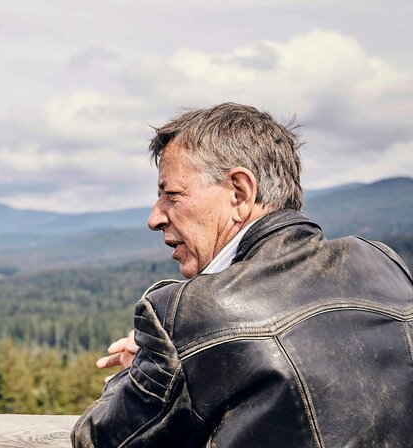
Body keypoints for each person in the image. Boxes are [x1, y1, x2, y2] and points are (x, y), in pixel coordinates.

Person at [72, 103, 413, 447]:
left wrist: (141, 373)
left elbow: (99, 439)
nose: (155, 217)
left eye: (170, 194)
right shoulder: (382, 264)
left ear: (239, 192)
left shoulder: (191, 313)